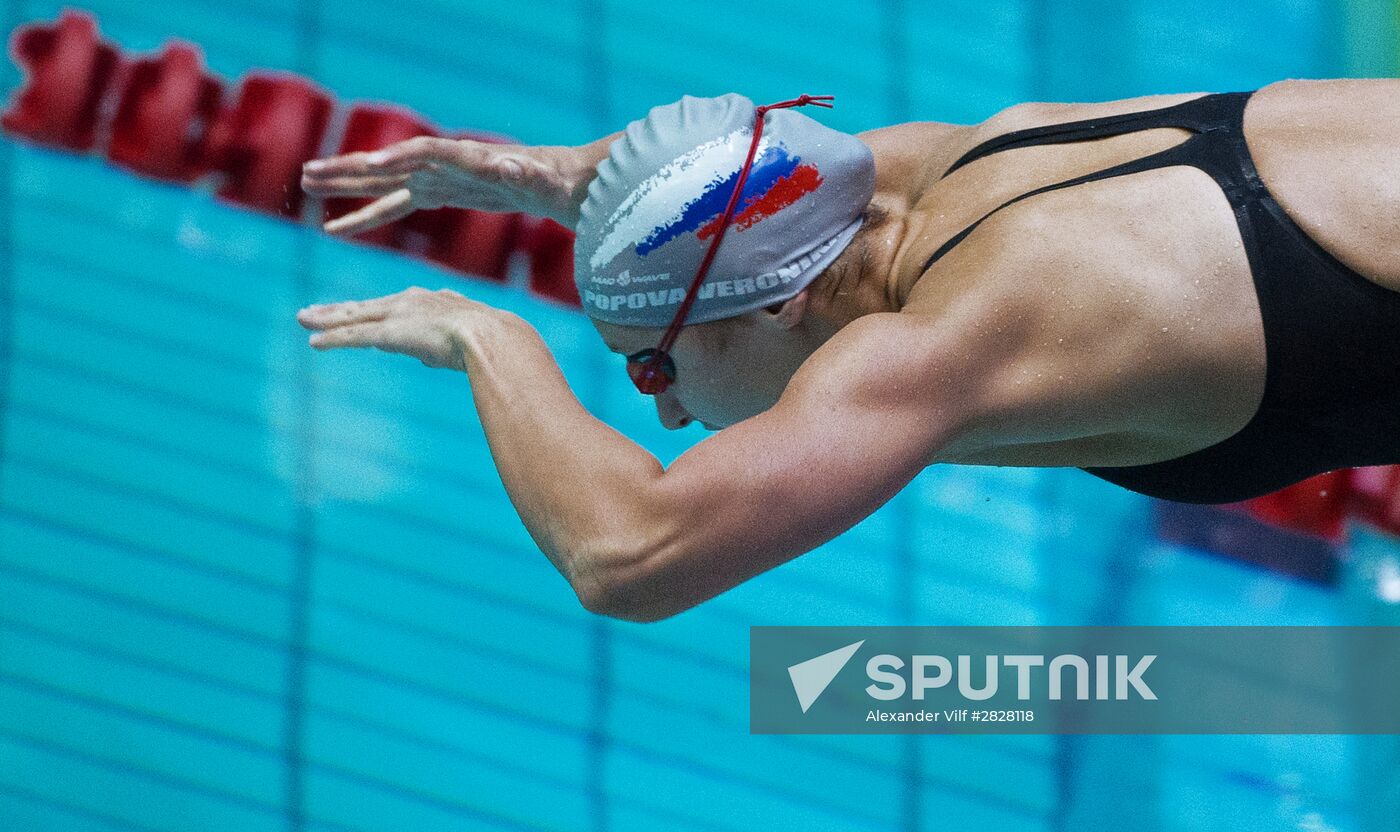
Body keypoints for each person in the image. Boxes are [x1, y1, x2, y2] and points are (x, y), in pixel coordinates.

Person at [297, 78, 1400, 622]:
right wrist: (584, 180)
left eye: (652, 367)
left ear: (777, 307)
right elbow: (755, 171)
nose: (667, 413)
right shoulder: (952, 163)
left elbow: (626, 553)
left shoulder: (955, 336)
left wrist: (486, 338)